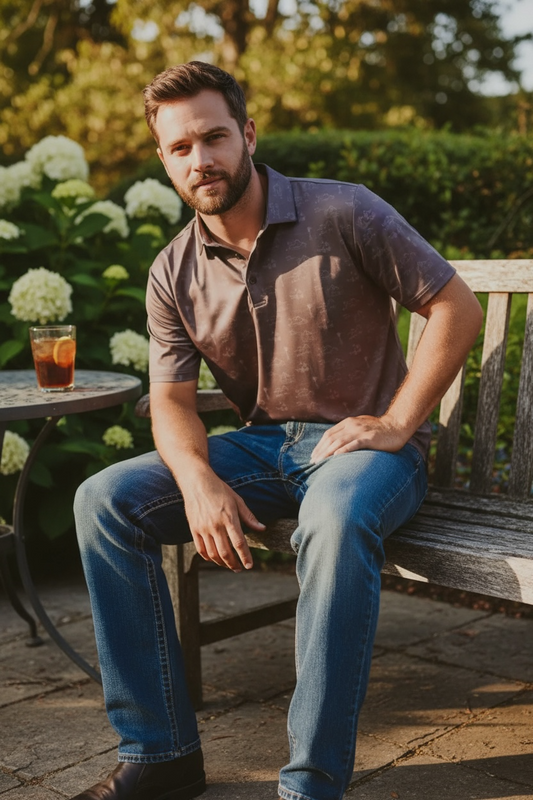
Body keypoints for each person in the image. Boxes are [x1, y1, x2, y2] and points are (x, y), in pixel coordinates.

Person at [72, 61, 483, 800]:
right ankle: (161, 753)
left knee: (330, 517)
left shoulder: (343, 211)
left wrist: (395, 422)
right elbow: (170, 401)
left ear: (248, 134)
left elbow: (455, 306)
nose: (201, 160)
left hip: (364, 454)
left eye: (214, 137)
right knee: (103, 500)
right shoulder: (173, 270)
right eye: (180, 148)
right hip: (263, 447)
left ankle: (310, 782)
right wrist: (198, 484)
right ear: (163, 158)